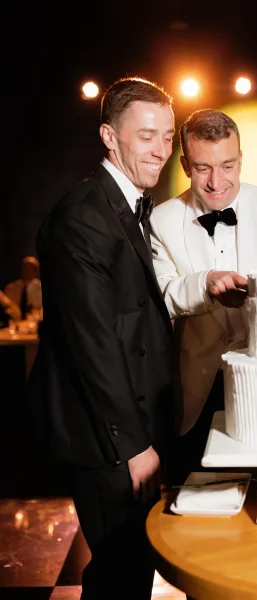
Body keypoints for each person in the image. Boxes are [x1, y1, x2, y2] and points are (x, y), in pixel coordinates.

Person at [27, 76, 181, 600]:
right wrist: (135, 446)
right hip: (105, 440)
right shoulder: (82, 218)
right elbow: (91, 344)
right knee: (119, 576)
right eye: (145, 136)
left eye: (167, 134)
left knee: (128, 571)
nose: (161, 149)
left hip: (132, 427)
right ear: (109, 137)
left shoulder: (130, 205)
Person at [149, 108, 257, 483]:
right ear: (184, 164)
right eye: (202, 168)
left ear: (242, 159)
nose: (217, 181)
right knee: (195, 502)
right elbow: (159, 295)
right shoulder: (160, 220)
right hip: (196, 393)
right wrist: (205, 284)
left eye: (227, 166)